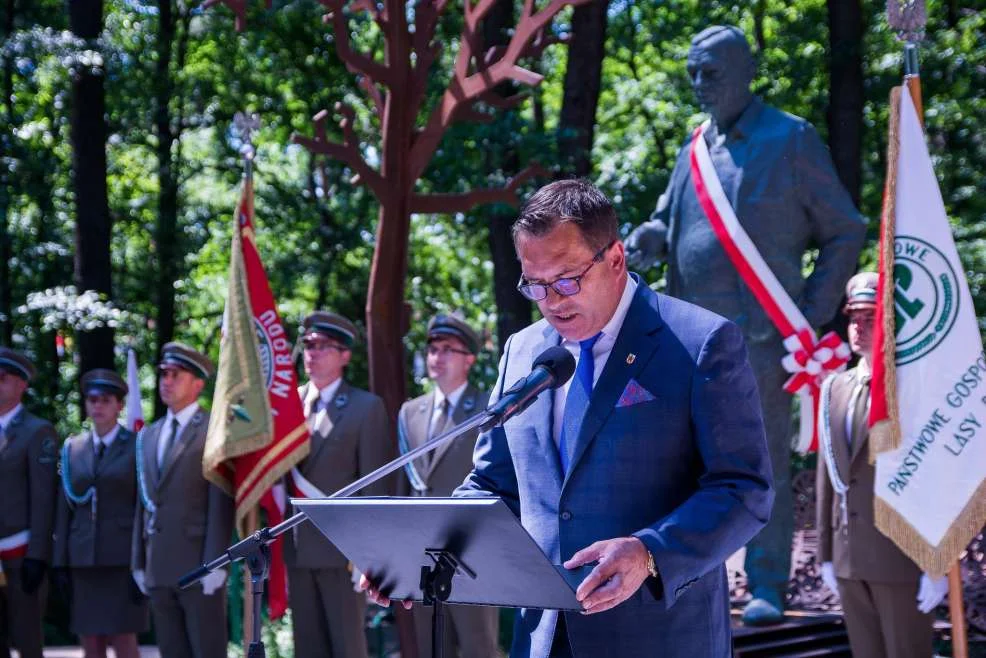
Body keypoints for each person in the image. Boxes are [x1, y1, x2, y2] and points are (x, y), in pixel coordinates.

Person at [364, 179, 773, 657]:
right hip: (541, 636)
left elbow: (744, 489)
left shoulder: (700, 342)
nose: (552, 301)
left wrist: (650, 552)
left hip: (657, 634)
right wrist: (421, 551)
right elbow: (495, 485)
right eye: (534, 284)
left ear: (616, 258)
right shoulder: (523, 351)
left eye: (566, 279)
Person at [624, 25, 866, 625]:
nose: (699, 86)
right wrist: (651, 235)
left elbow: (845, 229)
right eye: (693, 75)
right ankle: (693, 578)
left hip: (761, 340)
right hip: (685, 341)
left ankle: (766, 584)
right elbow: (667, 219)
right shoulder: (694, 149)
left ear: (743, 72)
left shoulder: (790, 139)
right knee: (682, 463)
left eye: (710, 73)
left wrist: (808, 316)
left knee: (761, 467)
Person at [815, 272, 948, 657]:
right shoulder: (834, 388)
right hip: (848, 557)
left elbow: (934, 478)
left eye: (870, 318)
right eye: (853, 319)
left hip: (900, 558)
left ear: (890, 323)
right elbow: (829, 477)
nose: (858, 328)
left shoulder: (912, 388)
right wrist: (826, 553)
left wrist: (935, 561)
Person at [285, 311, 392, 658]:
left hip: (342, 553)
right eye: (308, 345)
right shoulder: (285, 408)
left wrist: (368, 557)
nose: (311, 353)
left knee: (347, 647)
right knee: (307, 649)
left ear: (345, 355)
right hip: (297, 549)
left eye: (322, 346)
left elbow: (374, 488)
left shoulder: (365, 407)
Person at [396, 314, 500, 658]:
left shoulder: (487, 408)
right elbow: (406, 487)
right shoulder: (410, 411)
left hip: (472, 553)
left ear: (469, 358)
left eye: (447, 350)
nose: (436, 357)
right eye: (432, 349)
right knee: (430, 647)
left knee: (477, 646)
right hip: (422, 553)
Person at [131, 342, 233, 658]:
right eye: (164, 373)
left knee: (207, 650)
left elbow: (221, 499)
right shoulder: (150, 433)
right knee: (172, 651)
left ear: (199, 383)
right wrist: (138, 561)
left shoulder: (214, 430)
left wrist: (216, 562)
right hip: (158, 565)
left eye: (176, 374)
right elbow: (144, 501)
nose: (167, 381)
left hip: (198, 565)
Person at [53, 369, 149, 658]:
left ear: (119, 405)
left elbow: (143, 506)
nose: (97, 406)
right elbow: (63, 508)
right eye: (92, 399)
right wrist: (59, 561)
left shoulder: (137, 445)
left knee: (124, 639)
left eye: (105, 400)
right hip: (83, 560)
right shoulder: (73, 448)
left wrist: (142, 562)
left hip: (122, 560)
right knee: (90, 640)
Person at [0, 347, 58, 658]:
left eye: (2, 377)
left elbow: (44, 499)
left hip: (20, 553)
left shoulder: (38, 432)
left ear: (22, 384)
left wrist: (38, 555)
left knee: (27, 640)